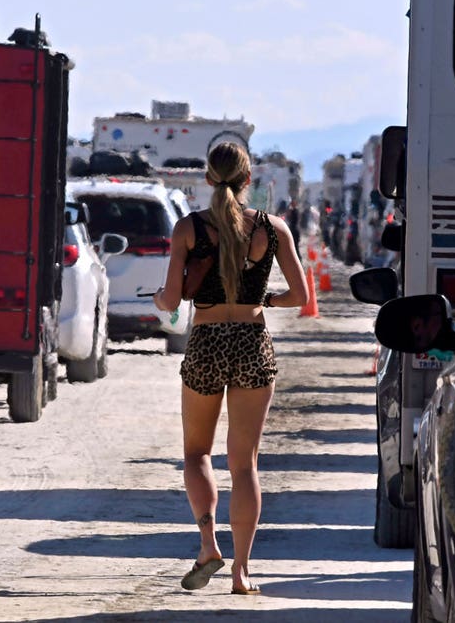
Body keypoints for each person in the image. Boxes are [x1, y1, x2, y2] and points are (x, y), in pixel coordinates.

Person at [153, 142, 308, 595]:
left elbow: (172, 297)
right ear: (248, 179)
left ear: (207, 178)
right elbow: (299, 295)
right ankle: (241, 572)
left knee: (197, 453)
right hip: (252, 342)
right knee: (245, 465)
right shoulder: (272, 228)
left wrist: (163, 304)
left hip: (205, 340)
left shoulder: (188, 229)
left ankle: (208, 544)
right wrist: (264, 300)